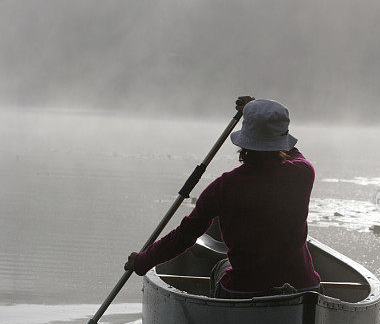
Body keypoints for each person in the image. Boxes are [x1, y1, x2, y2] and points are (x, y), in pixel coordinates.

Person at [124, 97, 320, 298]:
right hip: (304, 287)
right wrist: (260, 121)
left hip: (244, 291)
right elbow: (291, 151)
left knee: (221, 267)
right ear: (282, 140)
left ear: (245, 143)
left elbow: (185, 235)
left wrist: (142, 261)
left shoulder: (223, 187)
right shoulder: (303, 172)